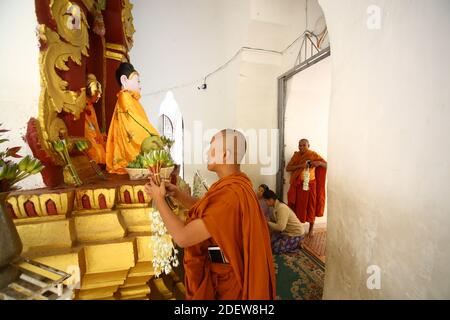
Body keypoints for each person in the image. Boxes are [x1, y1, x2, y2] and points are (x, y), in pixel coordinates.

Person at [145, 129, 276, 300]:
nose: (207, 153)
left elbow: (183, 237)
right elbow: (208, 212)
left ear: (224, 155)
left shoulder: (231, 195)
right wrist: (177, 194)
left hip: (227, 282)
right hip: (222, 269)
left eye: (211, 149)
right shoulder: (234, 185)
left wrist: (159, 199)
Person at [105, 62, 159, 174]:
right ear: (124, 80)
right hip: (128, 144)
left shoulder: (131, 99)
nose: (140, 85)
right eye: (138, 81)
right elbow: (135, 122)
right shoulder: (125, 96)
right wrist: (153, 134)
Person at [286, 139, 327, 237]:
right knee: (298, 205)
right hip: (299, 185)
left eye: (304, 145)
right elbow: (288, 168)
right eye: (300, 145)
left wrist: (319, 164)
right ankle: (297, 227)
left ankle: (311, 229)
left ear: (309, 145)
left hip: (311, 184)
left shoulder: (313, 155)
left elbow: (326, 165)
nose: (301, 147)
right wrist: (301, 165)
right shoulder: (296, 156)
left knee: (311, 205)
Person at [263, 189, 305, 254]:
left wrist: (267, 222)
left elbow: (280, 227)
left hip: (296, 233)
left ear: (271, 199)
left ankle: (298, 244)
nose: (265, 203)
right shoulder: (276, 206)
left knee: (275, 248)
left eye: (266, 200)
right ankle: (294, 243)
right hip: (287, 232)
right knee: (270, 241)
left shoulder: (281, 208)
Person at [84, 74, 106, 164]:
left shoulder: (91, 107)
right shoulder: (83, 105)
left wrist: (99, 137)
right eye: (97, 93)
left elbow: (95, 125)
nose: (99, 96)